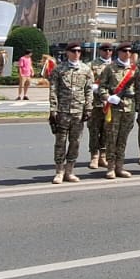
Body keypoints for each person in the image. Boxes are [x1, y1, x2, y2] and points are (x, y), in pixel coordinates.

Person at [95, 44, 138, 180]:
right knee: (112, 138)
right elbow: (102, 87)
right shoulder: (110, 68)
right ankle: (111, 167)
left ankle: (120, 166)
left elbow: (138, 90)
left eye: (129, 51)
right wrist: (108, 97)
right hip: (114, 108)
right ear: (118, 52)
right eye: (124, 50)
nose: (127, 53)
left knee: (123, 138)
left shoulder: (135, 70)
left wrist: (137, 107)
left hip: (129, 107)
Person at [50, 44, 92, 183]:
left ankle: (69, 171)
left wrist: (88, 108)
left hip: (78, 112)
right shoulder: (59, 69)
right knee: (60, 142)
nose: (76, 53)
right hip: (62, 111)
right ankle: (59, 171)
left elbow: (88, 91)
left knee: (75, 142)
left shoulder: (86, 70)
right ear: (67, 53)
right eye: (73, 51)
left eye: (79, 51)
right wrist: (53, 110)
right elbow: (53, 90)